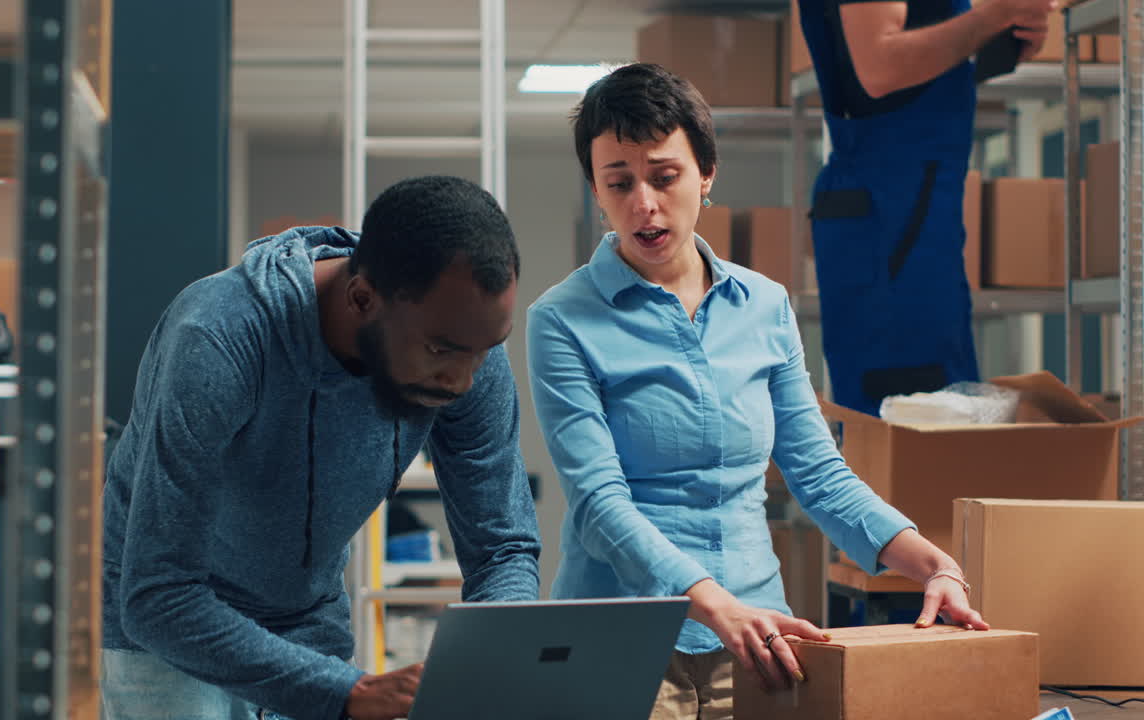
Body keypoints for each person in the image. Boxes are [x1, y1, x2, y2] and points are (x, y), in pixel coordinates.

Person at [526, 63, 986, 720]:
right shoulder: (563, 319)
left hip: (755, 639)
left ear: (706, 174)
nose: (644, 205)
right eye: (619, 183)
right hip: (621, 640)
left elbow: (819, 475)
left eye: (664, 176)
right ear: (597, 191)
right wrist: (713, 602)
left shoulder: (763, 306)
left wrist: (930, 563)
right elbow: (600, 505)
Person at [101, 175, 541, 720]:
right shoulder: (219, 336)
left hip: (305, 618)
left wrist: (497, 660)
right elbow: (157, 594)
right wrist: (345, 692)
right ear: (362, 299)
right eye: (440, 351)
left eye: (485, 350)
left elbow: (503, 549)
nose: (463, 381)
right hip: (166, 631)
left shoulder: (465, 343)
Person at [798, 0, 1055, 416]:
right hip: (887, 217)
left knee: (940, 408)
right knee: (904, 411)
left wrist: (1003, 37)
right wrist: (992, 17)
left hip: (916, 213)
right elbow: (879, 67)